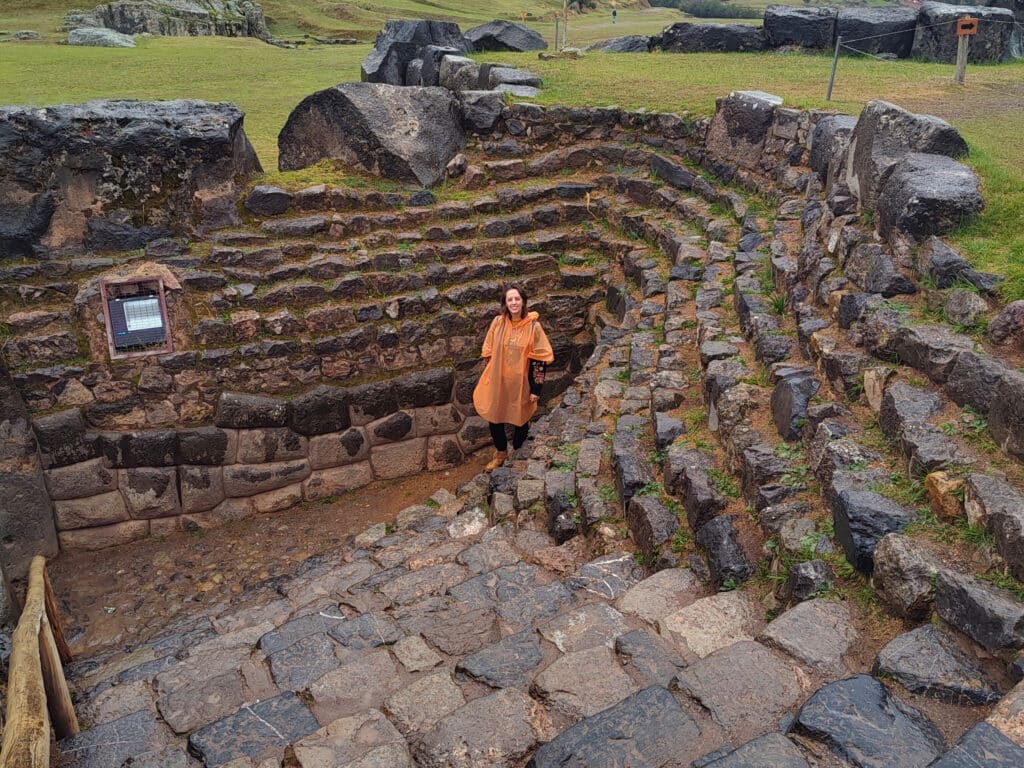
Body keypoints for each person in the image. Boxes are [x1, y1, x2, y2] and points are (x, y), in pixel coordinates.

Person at [473, 284, 554, 471]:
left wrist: (536, 388)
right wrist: (488, 376)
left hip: (521, 383)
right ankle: (501, 453)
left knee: (521, 419)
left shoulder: (534, 326)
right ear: (505, 303)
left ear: (523, 301)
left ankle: (519, 452)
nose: (514, 302)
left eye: (517, 299)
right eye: (510, 299)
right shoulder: (498, 323)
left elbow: (540, 359)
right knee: (494, 417)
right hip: (498, 381)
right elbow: (488, 351)